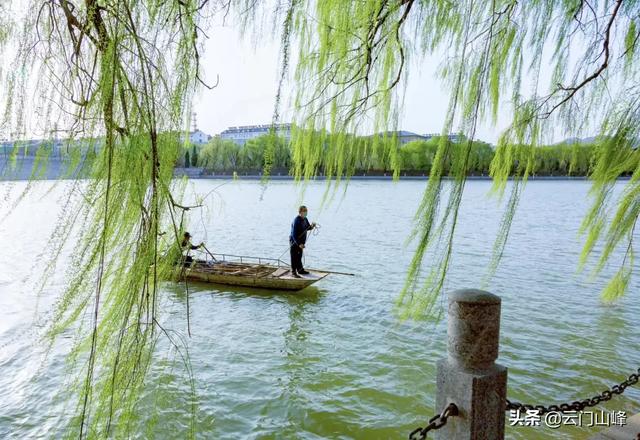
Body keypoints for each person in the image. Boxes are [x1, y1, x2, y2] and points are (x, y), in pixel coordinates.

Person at [289, 205, 316, 278]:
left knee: (299, 255)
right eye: (304, 211)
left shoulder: (305, 219)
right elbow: (294, 234)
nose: (305, 212)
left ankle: (300, 270)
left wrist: (312, 226)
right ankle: (293, 272)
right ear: (300, 212)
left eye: (306, 211)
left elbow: (307, 228)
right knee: (294, 256)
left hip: (301, 241)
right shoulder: (296, 220)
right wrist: (299, 244)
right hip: (294, 241)